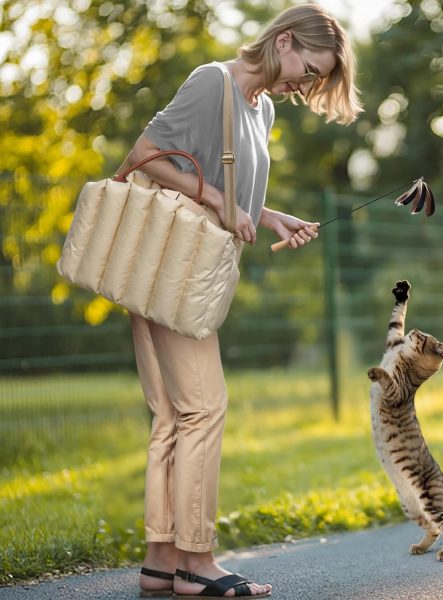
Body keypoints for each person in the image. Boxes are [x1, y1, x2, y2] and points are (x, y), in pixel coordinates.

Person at [117, 4, 362, 597]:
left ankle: (159, 560)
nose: (308, 85)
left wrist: (271, 217)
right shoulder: (212, 82)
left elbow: (231, 199)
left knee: (176, 414)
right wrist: (217, 199)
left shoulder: (263, 107)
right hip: (167, 263)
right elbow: (142, 157)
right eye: (311, 69)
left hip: (190, 266)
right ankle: (196, 564)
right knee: (206, 406)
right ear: (284, 42)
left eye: (318, 79)